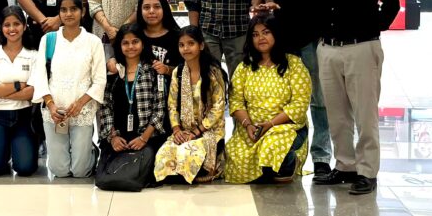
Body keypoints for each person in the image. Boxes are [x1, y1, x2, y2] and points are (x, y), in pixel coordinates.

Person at [313, 0, 400, 195]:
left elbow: (391, 4)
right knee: (336, 114)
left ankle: (367, 171)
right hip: (328, 49)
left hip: (362, 48)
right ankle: (345, 165)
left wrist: (371, 28)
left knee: (365, 115)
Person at [258, 0, 333, 176]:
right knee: (285, 100)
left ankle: (321, 157)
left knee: (319, 100)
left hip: (313, 38)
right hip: (284, 39)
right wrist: (269, 2)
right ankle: (287, 155)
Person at [225, 14, 311, 184]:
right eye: (255, 34)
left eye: (266, 32)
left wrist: (270, 124)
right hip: (251, 129)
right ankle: (267, 167)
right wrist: (248, 125)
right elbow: (236, 101)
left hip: (285, 127)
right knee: (236, 160)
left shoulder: (293, 64)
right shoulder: (245, 67)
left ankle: (289, 163)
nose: (261, 38)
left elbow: (300, 104)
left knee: (272, 148)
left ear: (276, 34)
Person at [31, 0, 106, 178]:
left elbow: (99, 80)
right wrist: (51, 105)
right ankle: (75, 151)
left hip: (82, 110)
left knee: (80, 171)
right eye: (63, 10)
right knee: (60, 171)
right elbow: (40, 76)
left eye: (73, 9)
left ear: (83, 11)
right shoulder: (48, 40)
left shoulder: (93, 42)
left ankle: (90, 151)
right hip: (54, 112)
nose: (68, 14)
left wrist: (80, 103)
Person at [96, 24, 165, 189]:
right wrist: (113, 137)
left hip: (146, 137)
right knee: (105, 177)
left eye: (135, 42)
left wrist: (144, 138)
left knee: (147, 172)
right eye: (125, 43)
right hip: (118, 137)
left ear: (143, 43)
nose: (130, 47)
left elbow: (160, 107)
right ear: (119, 46)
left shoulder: (153, 71)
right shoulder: (113, 73)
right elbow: (105, 107)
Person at [153, 26, 226, 184]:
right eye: (182, 45)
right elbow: (172, 105)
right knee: (163, 155)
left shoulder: (213, 72)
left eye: (190, 43)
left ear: (201, 45)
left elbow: (218, 107)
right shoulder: (178, 72)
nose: (186, 48)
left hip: (208, 131)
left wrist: (196, 132)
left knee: (188, 155)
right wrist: (177, 130)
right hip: (184, 130)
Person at [0, 6, 40, 177]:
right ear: (1, 27)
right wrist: (19, 85)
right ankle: (4, 152)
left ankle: (19, 149)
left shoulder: (33, 55)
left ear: (24, 26)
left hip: (24, 116)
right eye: (7, 25)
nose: (12, 29)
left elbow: (32, 93)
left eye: (16, 24)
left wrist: (3, 90)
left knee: (25, 168)